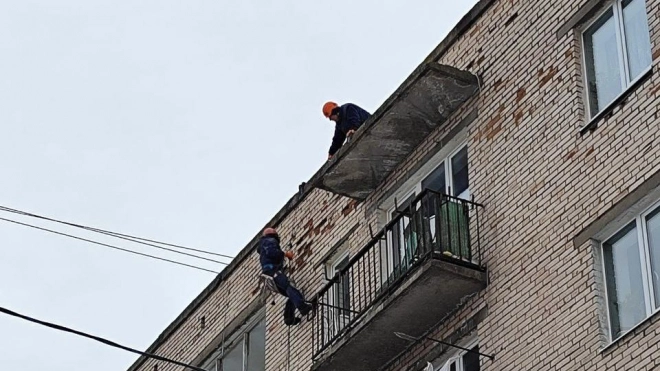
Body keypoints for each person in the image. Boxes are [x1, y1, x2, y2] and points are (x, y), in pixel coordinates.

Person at [257, 227, 313, 325]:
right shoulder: (270, 241)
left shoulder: (263, 245)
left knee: (290, 293)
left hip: (269, 277)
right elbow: (273, 253)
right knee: (289, 287)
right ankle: (302, 307)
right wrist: (286, 254)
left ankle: (289, 318)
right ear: (274, 235)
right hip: (273, 272)